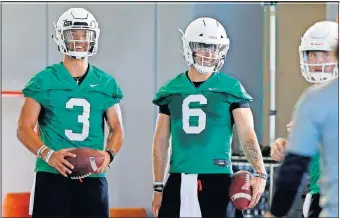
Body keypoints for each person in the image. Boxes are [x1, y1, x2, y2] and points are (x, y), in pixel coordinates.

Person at [151, 17, 267, 218]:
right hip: (179, 176)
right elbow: (160, 141)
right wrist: (158, 187)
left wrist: (260, 172)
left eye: (214, 48)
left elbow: (247, 132)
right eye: (203, 47)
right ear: (190, 48)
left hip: (217, 179)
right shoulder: (171, 90)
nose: (209, 53)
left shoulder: (231, 88)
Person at [17, 8, 124, 217]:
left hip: (93, 177)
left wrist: (108, 155)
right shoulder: (43, 80)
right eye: (73, 34)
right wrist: (48, 155)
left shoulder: (105, 82)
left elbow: (117, 128)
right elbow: (23, 128)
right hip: (52, 174)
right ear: (61, 37)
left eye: (84, 35)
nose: (80, 40)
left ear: (93, 38)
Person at [270, 21, 338, 217]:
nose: (317, 62)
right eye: (313, 54)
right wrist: (287, 147)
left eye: (324, 54)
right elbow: (302, 162)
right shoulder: (309, 101)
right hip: (320, 195)